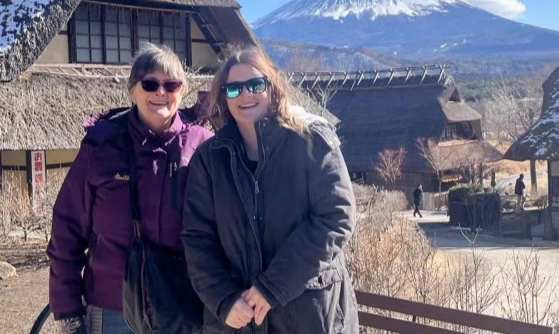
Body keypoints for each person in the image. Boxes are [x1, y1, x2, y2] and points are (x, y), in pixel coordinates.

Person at [181, 45, 359, 334]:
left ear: (272, 86)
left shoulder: (311, 140)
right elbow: (197, 238)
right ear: (224, 96)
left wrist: (272, 287)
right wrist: (223, 299)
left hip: (309, 317)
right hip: (238, 322)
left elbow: (336, 216)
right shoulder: (209, 159)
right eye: (234, 89)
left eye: (255, 84)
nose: (245, 95)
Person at [47, 43, 213, 334]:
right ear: (132, 90)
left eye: (170, 84)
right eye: (150, 84)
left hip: (184, 306)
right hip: (113, 307)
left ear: (182, 90)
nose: (161, 92)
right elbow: (67, 227)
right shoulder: (102, 146)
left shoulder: (204, 146)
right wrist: (68, 312)